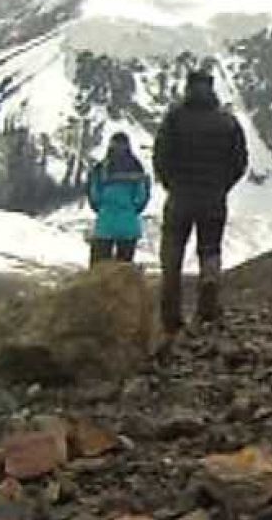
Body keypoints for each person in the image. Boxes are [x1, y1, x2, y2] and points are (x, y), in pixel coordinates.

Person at [153, 67, 247, 333]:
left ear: (188, 87)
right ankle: (208, 302)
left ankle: (170, 315)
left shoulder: (174, 118)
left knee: (172, 252)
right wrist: (222, 186)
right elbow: (239, 161)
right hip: (213, 197)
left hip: (180, 196)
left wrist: (171, 184)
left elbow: (160, 156)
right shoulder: (227, 121)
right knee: (210, 249)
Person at [86, 133, 151, 264]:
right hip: (129, 222)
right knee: (124, 269)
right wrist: (132, 209)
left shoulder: (101, 168)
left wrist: (101, 207)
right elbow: (141, 197)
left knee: (99, 268)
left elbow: (94, 196)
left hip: (105, 221)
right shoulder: (137, 168)